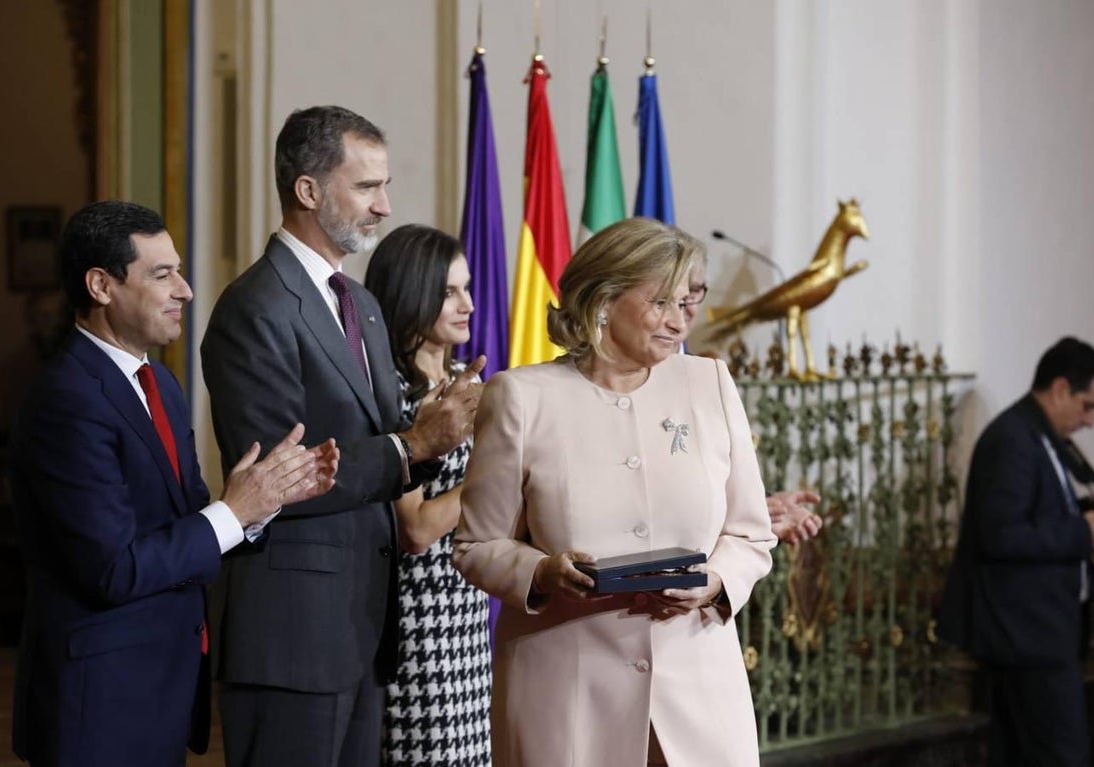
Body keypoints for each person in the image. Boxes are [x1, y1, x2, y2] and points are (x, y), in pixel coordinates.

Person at [9, 200, 339, 767]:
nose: (184, 290)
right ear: (101, 285)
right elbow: (114, 569)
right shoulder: (67, 398)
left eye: (179, 271)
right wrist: (234, 512)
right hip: (99, 705)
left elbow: (187, 525)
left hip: (159, 689)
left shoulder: (159, 382)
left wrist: (262, 502)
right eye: (162, 274)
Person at [200, 106, 483, 767]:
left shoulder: (361, 305)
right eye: (366, 187)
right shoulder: (255, 306)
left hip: (364, 626)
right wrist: (415, 444)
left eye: (385, 186)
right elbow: (279, 478)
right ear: (308, 190)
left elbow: (385, 439)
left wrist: (438, 428)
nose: (384, 206)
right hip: (292, 632)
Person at [453, 217, 776, 766]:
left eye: (684, 302)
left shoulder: (710, 383)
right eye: (661, 302)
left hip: (700, 692)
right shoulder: (521, 397)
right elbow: (476, 546)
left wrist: (718, 581)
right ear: (602, 301)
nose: (679, 320)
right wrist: (541, 572)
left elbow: (750, 533)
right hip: (566, 691)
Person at [938, 336, 1094, 766]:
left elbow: (1036, 512)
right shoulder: (1013, 438)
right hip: (1029, 639)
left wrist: (1085, 511)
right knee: (1063, 756)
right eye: (1087, 406)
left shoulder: (1038, 435)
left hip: (1044, 634)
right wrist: (1082, 532)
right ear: (1061, 389)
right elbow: (1002, 534)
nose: (1090, 421)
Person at [364, 223, 492, 766]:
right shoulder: (386, 391)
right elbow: (414, 529)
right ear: (411, 293)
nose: (468, 304)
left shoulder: (469, 380)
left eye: (467, 288)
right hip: (417, 619)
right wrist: (495, 476)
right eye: (449, 292)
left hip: (469, 607)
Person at [682, 261, 823, 544]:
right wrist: (744, 514)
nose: (683, 309)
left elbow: (716, 471)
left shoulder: (706, 374)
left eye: (693, 293)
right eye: (664, 299)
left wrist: (762, 505)